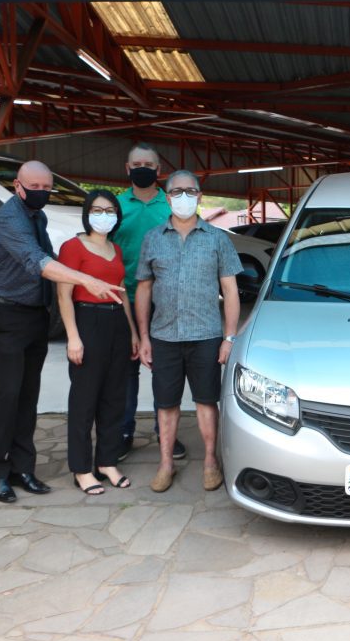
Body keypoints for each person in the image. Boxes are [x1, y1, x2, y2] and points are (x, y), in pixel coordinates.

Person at [0, 161, 124, 503]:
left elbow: (33, 259)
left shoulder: (38, 217)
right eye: (35, 187)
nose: (42, 192)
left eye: (47, 187)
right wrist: (86, 279)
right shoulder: (10, 219)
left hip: (33, 315)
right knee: (8, 394)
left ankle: (22, 468)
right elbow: (39, 263)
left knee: (28, 394)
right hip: (5, 314)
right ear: (18, 186)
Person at [136, 170, 242, 492]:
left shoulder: (217, 239)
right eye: (177, 192)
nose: (184, 197)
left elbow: (230, 290)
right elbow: (144, 288)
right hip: (164, 336)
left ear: (199, 196)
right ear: (168, 198)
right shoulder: (153, 238)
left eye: (190, 191)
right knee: (166, 404)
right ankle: (165, 463)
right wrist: (144, 336)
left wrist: (229, 337)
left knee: (207, 401)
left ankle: (210, 461)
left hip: (206, 336)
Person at [57, 191, 138, 495]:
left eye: (110, 210)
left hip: (117, 323)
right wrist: (73, 337)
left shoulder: (115, 249)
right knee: (84, 399)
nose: (104, 215)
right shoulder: (72, 247)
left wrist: (132, 331)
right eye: (97, 209)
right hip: (87, 321)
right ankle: (81, 469)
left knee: (114, 398)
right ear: (87, 213)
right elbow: (63, 295)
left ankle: (107, 462)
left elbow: (122, 292)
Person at [112, 142, 186, 462]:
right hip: (122, 299)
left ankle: (164, 431)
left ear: (158, 170)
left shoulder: (170, 206)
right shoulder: (114, 207)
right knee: (126, 371)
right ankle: (123, 431)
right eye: (136, 164)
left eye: (148, 165)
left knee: (164, 370)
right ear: (127, 169)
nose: (142, 169)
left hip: (165, 300)